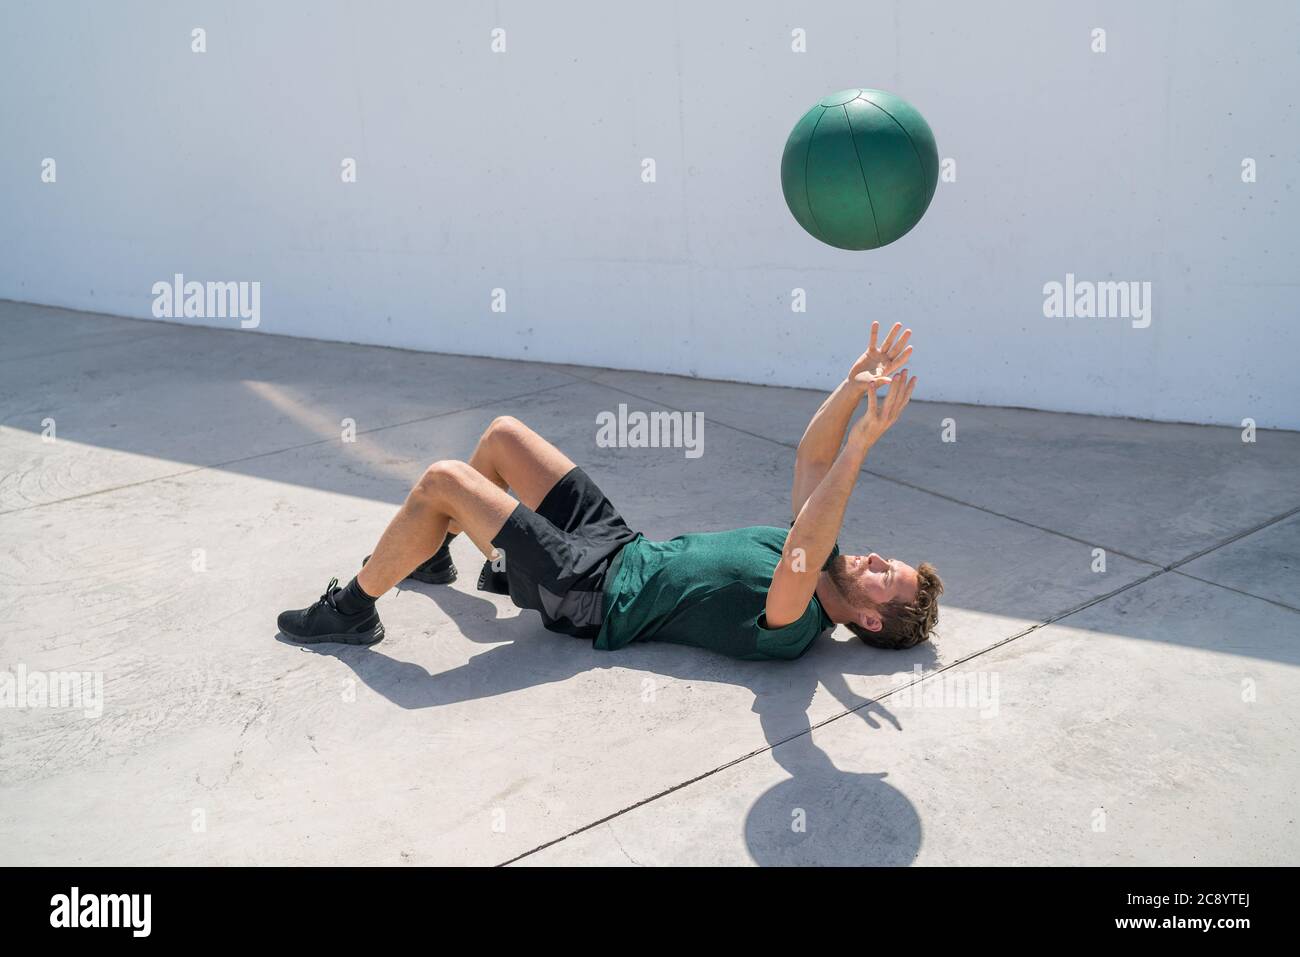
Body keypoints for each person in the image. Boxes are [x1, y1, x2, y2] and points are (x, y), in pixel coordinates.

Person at [278, 322, 942, 660]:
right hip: (619, 546)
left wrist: (863, 444)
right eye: (893, 561)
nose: (881, 560)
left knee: (443, 480)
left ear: (871, 620)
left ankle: (353, 609)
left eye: (890, 579)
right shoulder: (824, 558)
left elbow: (804, 541)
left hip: (592, 594)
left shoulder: (797, 624)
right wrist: (854, 389)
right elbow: (812, 455)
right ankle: (431, 553)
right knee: (504, 436)